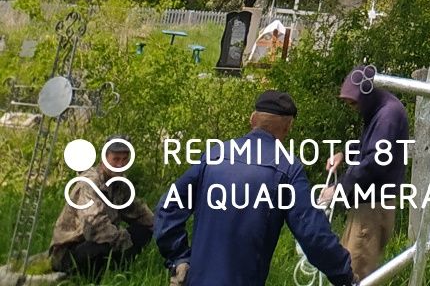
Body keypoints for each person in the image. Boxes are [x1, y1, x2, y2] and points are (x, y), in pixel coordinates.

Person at [153, 89, 355, 286]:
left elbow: (168, 206)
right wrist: (345, 276)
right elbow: (314, 236)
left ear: (252, 119)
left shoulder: (215, 155)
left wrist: (179, 258)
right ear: (287, 128)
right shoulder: (287, 169)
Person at [325, 67, 411, 282]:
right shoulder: (379, 110)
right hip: (366, 203)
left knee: (358, 272)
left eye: (354, 103)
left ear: (367, 93)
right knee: (349, 262)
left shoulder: (388, 115)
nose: (352, 108)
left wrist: (339, 189)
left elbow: (374, 162)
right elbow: (367, 146)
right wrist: (344, 154)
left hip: (372, 207)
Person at [49, 139, 154, 277]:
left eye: (124, 160)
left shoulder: (119, 183)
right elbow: (95, 225)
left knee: (142, 231)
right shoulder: (89, 183)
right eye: (115, 159)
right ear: (104, 159)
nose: (120, 165)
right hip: (69, 250)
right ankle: (82, 278)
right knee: (102, 246)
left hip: (101, 240)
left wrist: (160, 225)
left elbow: (137, 212)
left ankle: (118, 270)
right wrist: (124, 242)